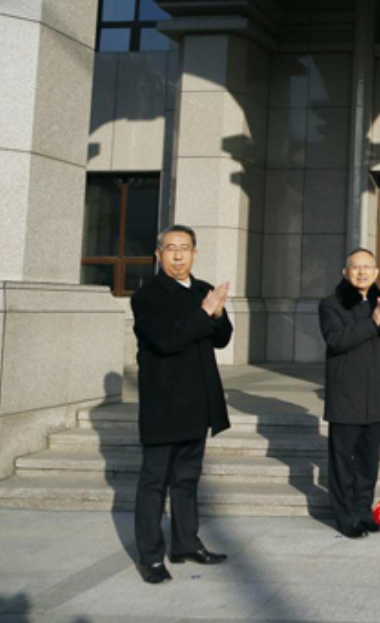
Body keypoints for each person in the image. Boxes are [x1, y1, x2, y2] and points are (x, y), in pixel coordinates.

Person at [131, 225, 233, 584]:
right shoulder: (147, 296)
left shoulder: (204, 290)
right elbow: (166, 340)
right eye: (170, 248)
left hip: (198, 401)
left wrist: (216, 315)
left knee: (187, 478)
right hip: (164, 403)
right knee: (154, 481)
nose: (178, 255)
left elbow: (222, 338)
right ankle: (151, 557)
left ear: (194, 253)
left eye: (185, 248)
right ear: (158, 254)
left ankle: (186, 543)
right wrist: (204, 314)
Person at [318, 248, 380, 538]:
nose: (362, 272)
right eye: (356, 267)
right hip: (346, 394)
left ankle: (363, 511)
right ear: (345, 273)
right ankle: (345, 516)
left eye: (367, 267)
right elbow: (337, 340)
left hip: (375, 394)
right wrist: (372, 324)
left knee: (368, 461)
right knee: (343, 461)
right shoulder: (331, 304)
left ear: (376, 272)